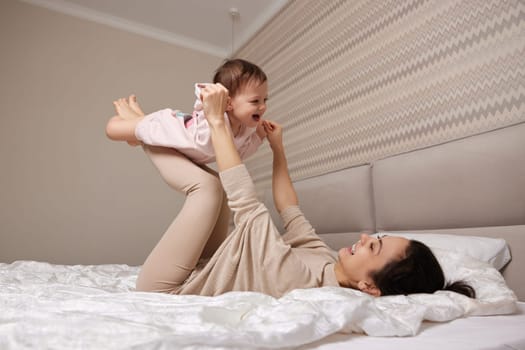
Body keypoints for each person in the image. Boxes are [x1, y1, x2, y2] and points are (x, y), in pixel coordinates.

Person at [133, 83, 476, 299]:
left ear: (369, 288)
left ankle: (139, 128)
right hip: (207, 263)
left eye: (375, 246)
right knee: (214, 188)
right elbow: (289, 208)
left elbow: (246, 203)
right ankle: (142, 127)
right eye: (377, 236)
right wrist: (278, 149)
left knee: (209, 188)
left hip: (168, 287)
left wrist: (218, 122)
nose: (366, 236)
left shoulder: (303, 282)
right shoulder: (326, 259)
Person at [105, 58, 268, 163]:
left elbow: (239, 155)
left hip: (182, 150)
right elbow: (203, 99)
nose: (262, 107)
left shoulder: (245, 131)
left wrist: (259, 136)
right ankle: (127, 119)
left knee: (141, 138)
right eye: (255, 101)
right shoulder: (215, 115)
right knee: (112, 130)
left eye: (264, 100)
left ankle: (136, 127)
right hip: (170, 126)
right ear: (227, 102)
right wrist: (213, 98)